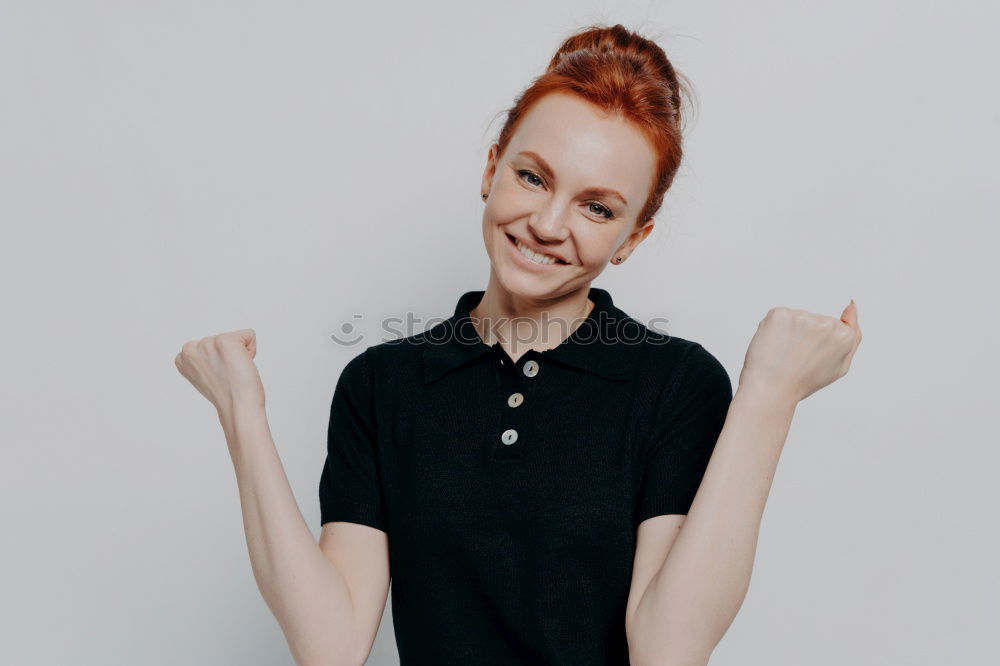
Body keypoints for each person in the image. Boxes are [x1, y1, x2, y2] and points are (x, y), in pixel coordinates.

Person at [174, 23, 861, 666]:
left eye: (598, 207)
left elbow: (668, 650)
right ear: (492, 169)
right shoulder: (382, 385)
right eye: (532, 177)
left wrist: (769, 394)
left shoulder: (676, 385)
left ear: (635, 237)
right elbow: (331, 645)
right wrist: (242, 414)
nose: (547, 224)